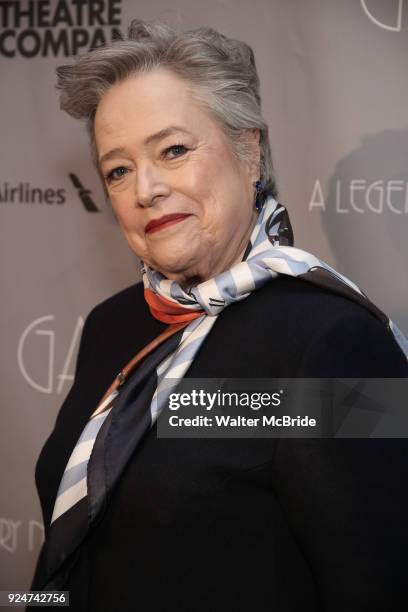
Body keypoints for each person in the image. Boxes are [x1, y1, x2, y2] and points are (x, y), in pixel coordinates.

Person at [31, 19, 408, 611]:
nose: (145, 189)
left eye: (173, 149)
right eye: (118, 170)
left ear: (249, 150)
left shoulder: (334, 344)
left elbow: (379, 585)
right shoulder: (113, 324)